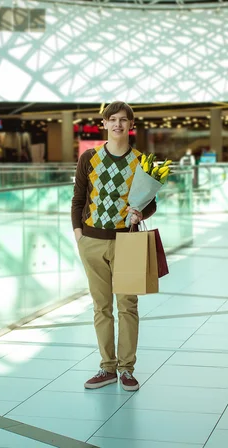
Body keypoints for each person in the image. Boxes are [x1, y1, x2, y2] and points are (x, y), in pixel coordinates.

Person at [71, 101, 156, 392]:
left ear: (131, 125)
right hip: (92, 241)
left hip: (127, 241)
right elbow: (78, 198)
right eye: (112, 119)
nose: (118, 124)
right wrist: (78, 234)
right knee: (101, 307)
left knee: (128, 306)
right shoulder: (89, 158)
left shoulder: (141, 161)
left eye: (123, 120)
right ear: (104, 124)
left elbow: (151, 201)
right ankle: (106, 367)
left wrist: (141, 213)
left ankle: (127, 369)